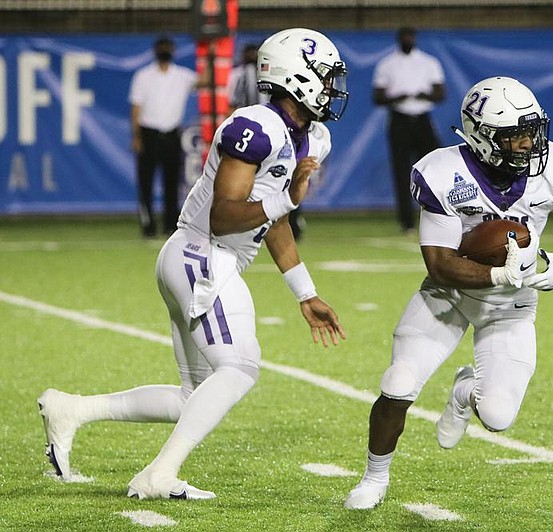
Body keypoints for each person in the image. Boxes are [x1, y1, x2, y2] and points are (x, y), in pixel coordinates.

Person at [38, 28, 349, 500]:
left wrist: (305, 292)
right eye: (325, 78)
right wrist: (287, 199)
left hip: (198, 260)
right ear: (297, 77)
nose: (331, 89)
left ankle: (72, 409)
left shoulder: (311, 138)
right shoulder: (256, 127)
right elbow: (224, 217)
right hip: (203, 254)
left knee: (194, 395)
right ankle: (159, 474)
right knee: (241, 367)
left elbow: (272, 220)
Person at [343, 76, 553, 510]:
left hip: (512, 308)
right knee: (398, 383)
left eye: (532, 131)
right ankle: (374, 478)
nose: (527, 144)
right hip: (448, 297)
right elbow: (440, 264)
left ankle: (466, 391)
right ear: (481, 136)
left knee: (499, 417)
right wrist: (501, 275)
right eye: (514, 136)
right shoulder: (442, 172)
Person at [225, 42, 306, 241]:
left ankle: (291, 223)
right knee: (254, 185)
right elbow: (232, 105)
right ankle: (249, 228)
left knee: (287, 177)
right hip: (252, 136)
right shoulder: (238, 75)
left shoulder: (280, 75)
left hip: (280, 132)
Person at [129, 36, 206, 238]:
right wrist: (136, 136)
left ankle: (171, 223)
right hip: (149, 132)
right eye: (162, 48)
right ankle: (148, 224)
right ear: (155, 51)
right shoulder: (143, 76)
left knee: (172, 181)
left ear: (173, 51)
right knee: (145, 181)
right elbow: (136, 108)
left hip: (172, 133)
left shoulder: (181, 75)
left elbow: (204, 81)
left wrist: (210, 52)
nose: (165, 51)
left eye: (168, 48)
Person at [373, 26, 446, 234]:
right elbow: (377, 96)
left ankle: (438, 216)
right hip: (399, 119)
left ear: (415, 39)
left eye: (411, 36)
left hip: (423, 119)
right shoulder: (388, 64)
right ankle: (407, 222)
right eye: (404, 37)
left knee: (434, 169)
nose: (408, 40)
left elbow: (440, 93)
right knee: (402, 171)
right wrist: (399, 97)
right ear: (399, 40)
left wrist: (424, 95)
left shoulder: (428, 62)